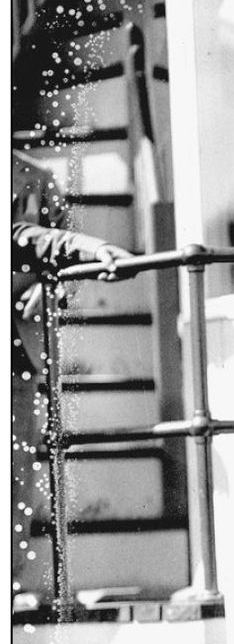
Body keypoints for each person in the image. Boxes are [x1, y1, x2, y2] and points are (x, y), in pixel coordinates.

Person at [12, 151, 132, 599]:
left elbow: (48, 241)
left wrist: (54, 289)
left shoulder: (34, 178)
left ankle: (11, 579)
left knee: (16, 468)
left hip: (15, 355)